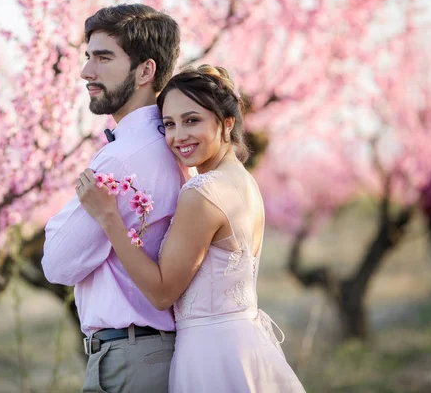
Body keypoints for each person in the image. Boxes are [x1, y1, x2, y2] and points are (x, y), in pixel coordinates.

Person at [76, 65, 307, 392]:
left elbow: (161, 292)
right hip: (245, 346)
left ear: (227, 123)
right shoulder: (243, 181)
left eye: (192, 120)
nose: (178, 135)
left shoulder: (203, 193)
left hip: (210, 355)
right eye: (169, 124)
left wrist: (108, 218)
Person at [41, 4, 183, 393]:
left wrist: (58, 226)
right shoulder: (168, 144)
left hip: (128, 361)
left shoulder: (122, 158)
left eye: (103, 58)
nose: (86, 71)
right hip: (146, 354)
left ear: (145, 71)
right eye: (88, 57)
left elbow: (56, 264)